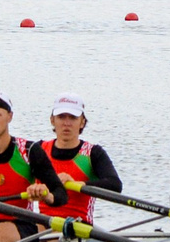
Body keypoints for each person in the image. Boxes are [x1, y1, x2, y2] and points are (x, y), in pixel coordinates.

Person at [0, 89, 66, 242]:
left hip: (22, 223)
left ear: (10, 116)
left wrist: (47, 195)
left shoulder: (29, 151)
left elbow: (60, 194)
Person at [43, 95, 122, 223]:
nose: (66, 123)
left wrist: (81, 184)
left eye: (73, 118)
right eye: (61, 117)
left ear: (82, 122)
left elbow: (115, 185)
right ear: (52, 120)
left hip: (79, 226)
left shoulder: (93, 153)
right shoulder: (39, 149)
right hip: (44, 223)